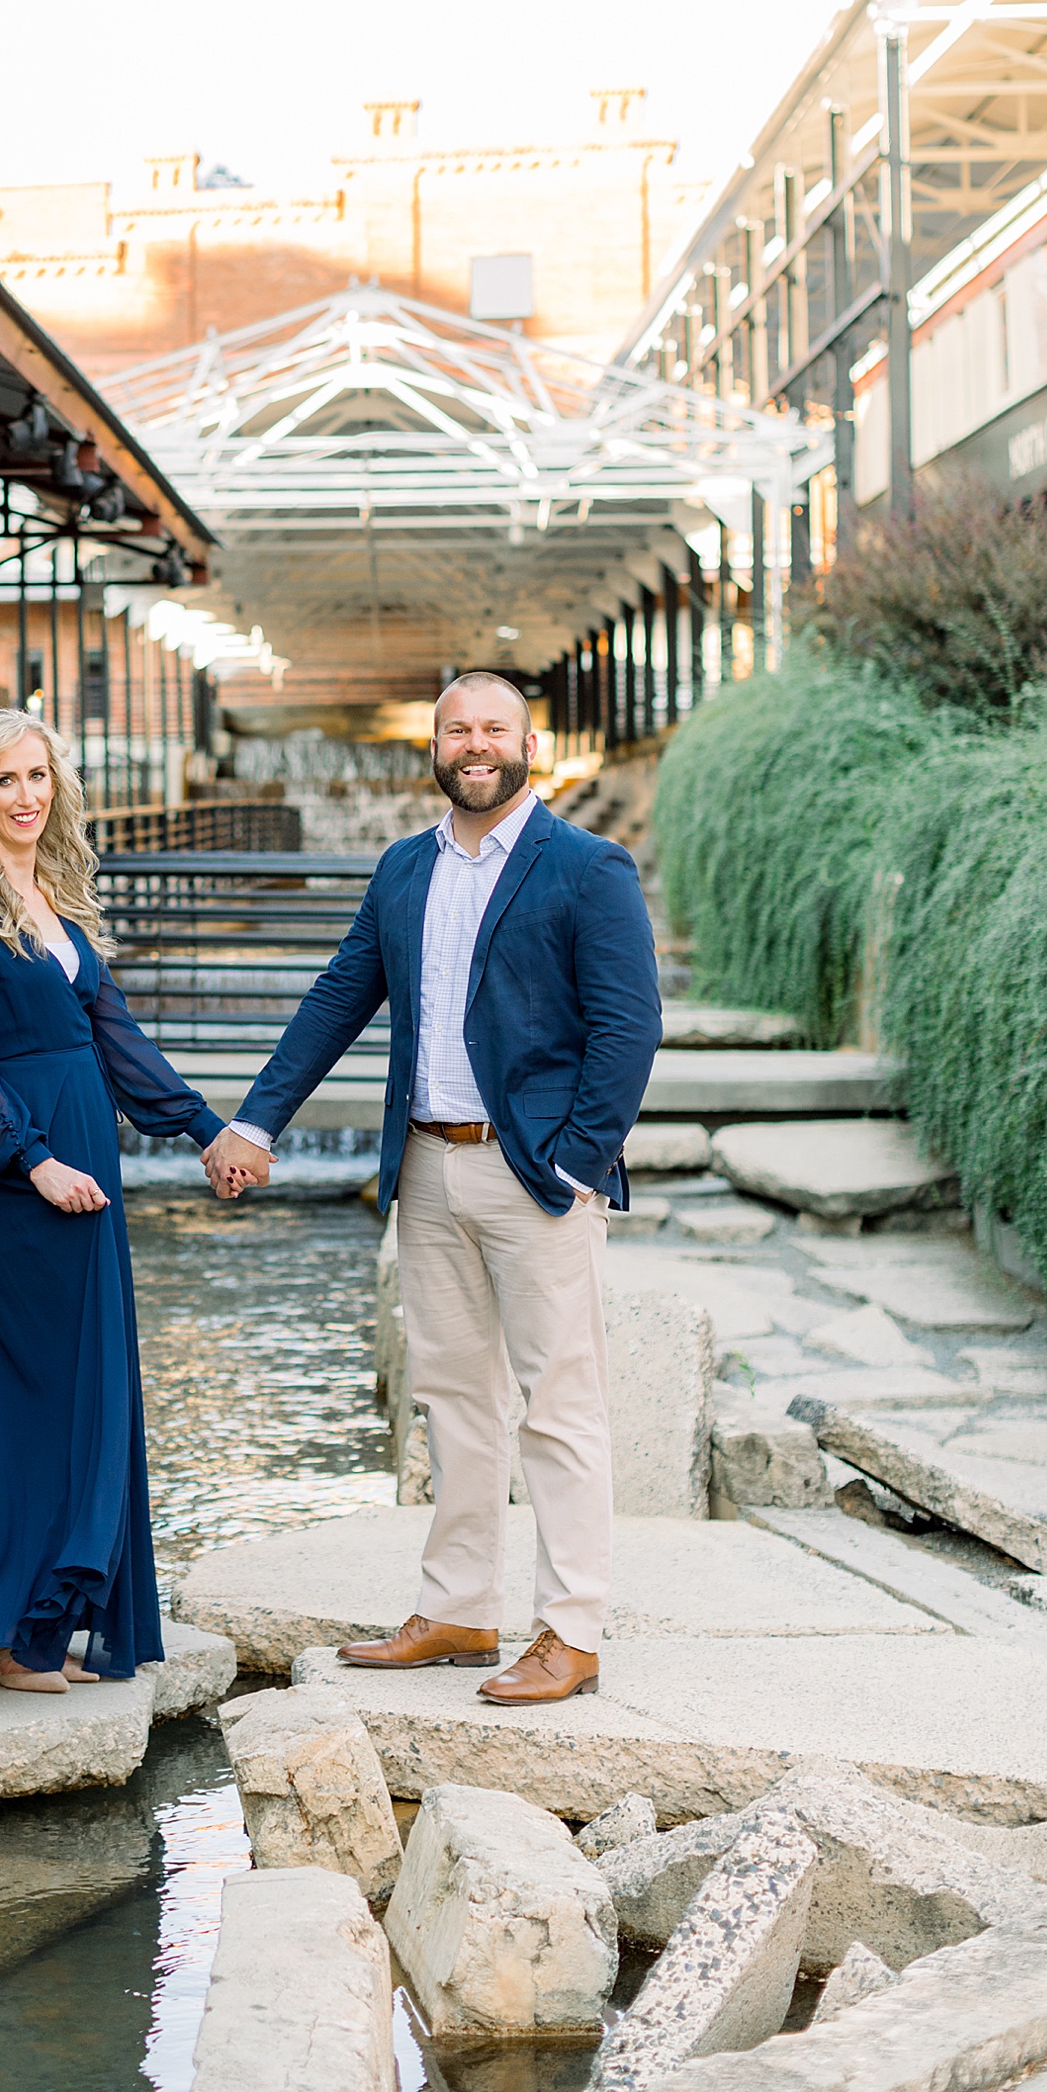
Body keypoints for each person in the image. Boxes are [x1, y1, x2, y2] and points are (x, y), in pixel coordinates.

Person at [202, 673, 661, 1704]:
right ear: (438, 744)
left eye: (495, 727)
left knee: (560, 1405)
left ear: (529, 742)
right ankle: (459, 1606)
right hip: (423, 1159)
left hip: (532, 1170)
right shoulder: (405, 867)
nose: (476, 743)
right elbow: (337, 996)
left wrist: (580, 1159)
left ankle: (571, 1629)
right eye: (458, 728)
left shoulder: (588, 866)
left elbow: (628, 1028)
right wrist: (254, 1117)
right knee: (453, 1397)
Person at [0, 709, 230, 1696]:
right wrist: (33, 1157)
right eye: (6, 779)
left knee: (92, 1396)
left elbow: (116, 1036)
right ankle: (11, 1633)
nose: (28, 795)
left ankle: (54, 1617)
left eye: (39, 775)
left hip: (90, 1166)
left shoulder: (60, 898)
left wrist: (205, 1126)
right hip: (15, 1183)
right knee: (30, 1404)